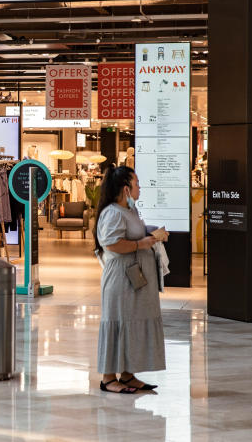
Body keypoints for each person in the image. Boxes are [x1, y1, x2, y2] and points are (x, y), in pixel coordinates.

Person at [93, 165, 169, 393]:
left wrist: (152, 234)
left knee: (132, 322)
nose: (140, 189)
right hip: (121, 279)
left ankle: (127, 374)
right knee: (118, 320)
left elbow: (133, 232)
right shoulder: (113, 213)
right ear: (126, 189)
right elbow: (111, 243)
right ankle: (108, 378)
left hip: (135, 279)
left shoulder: (130, 211)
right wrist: (140, 244)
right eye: (137, 184)